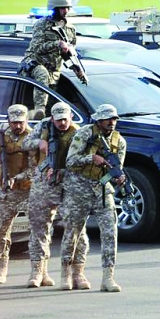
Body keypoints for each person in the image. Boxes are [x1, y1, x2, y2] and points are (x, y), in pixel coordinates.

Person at [60, 104, 127, 293]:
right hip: (78, 188)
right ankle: (66, 273)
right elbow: (70, 161)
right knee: (72, 232)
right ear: (99, 120)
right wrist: (91, 158)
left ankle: (108, 277)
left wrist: (118, 177)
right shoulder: (84, 134)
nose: (111, 123)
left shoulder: (119, 141)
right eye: (108, 119)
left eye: (114, 119)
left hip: (102, 190)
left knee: (110, 232)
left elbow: (116, 168)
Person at [22, 102, 85, 288]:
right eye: (58, 120)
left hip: (69, 185)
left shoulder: (79, 133)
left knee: (76, 230)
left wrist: (63, 171)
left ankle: (77, 274)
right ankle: (38, 271)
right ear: (52, 119)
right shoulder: (43, 126)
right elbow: (25, 143)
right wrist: (39, 142)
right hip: (43, 184)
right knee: (39, 227)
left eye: (65, 119)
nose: (63, 123)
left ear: (71, 117)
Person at [0, 104, 37, 285]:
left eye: (20, 122)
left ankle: (38, 272)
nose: (17, 126)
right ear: (8, 121)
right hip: (5, 189)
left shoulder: (33, 136)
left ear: (26, 120)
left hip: (25, 189)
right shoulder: (2, 131)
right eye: (14, 123)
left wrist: (18, 178)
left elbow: (34, 167)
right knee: (0, 230)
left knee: (38, 230)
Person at [22, 0, 80, 118]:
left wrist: (77, 69)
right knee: (42, 74)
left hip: (54, 70)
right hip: (35, 63)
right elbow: (37, 48)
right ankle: (39, 110)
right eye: (62, 8)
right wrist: (57, 44)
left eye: (67, 8)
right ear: (54, 9)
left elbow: (70, 53)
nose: (65, 11)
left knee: (54, 105)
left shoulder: (70, 29)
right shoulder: (42, 25)